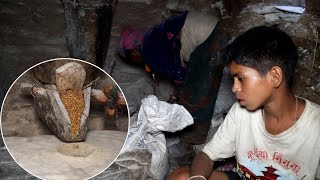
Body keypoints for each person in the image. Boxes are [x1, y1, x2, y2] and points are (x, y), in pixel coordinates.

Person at [168, 25, 320, 179]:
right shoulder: (241, 111)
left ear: (274, 76)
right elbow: (207, 155)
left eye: (240, 78)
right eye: (233, 80)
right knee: (180, 177)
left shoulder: (315, 127)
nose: (234, 88)